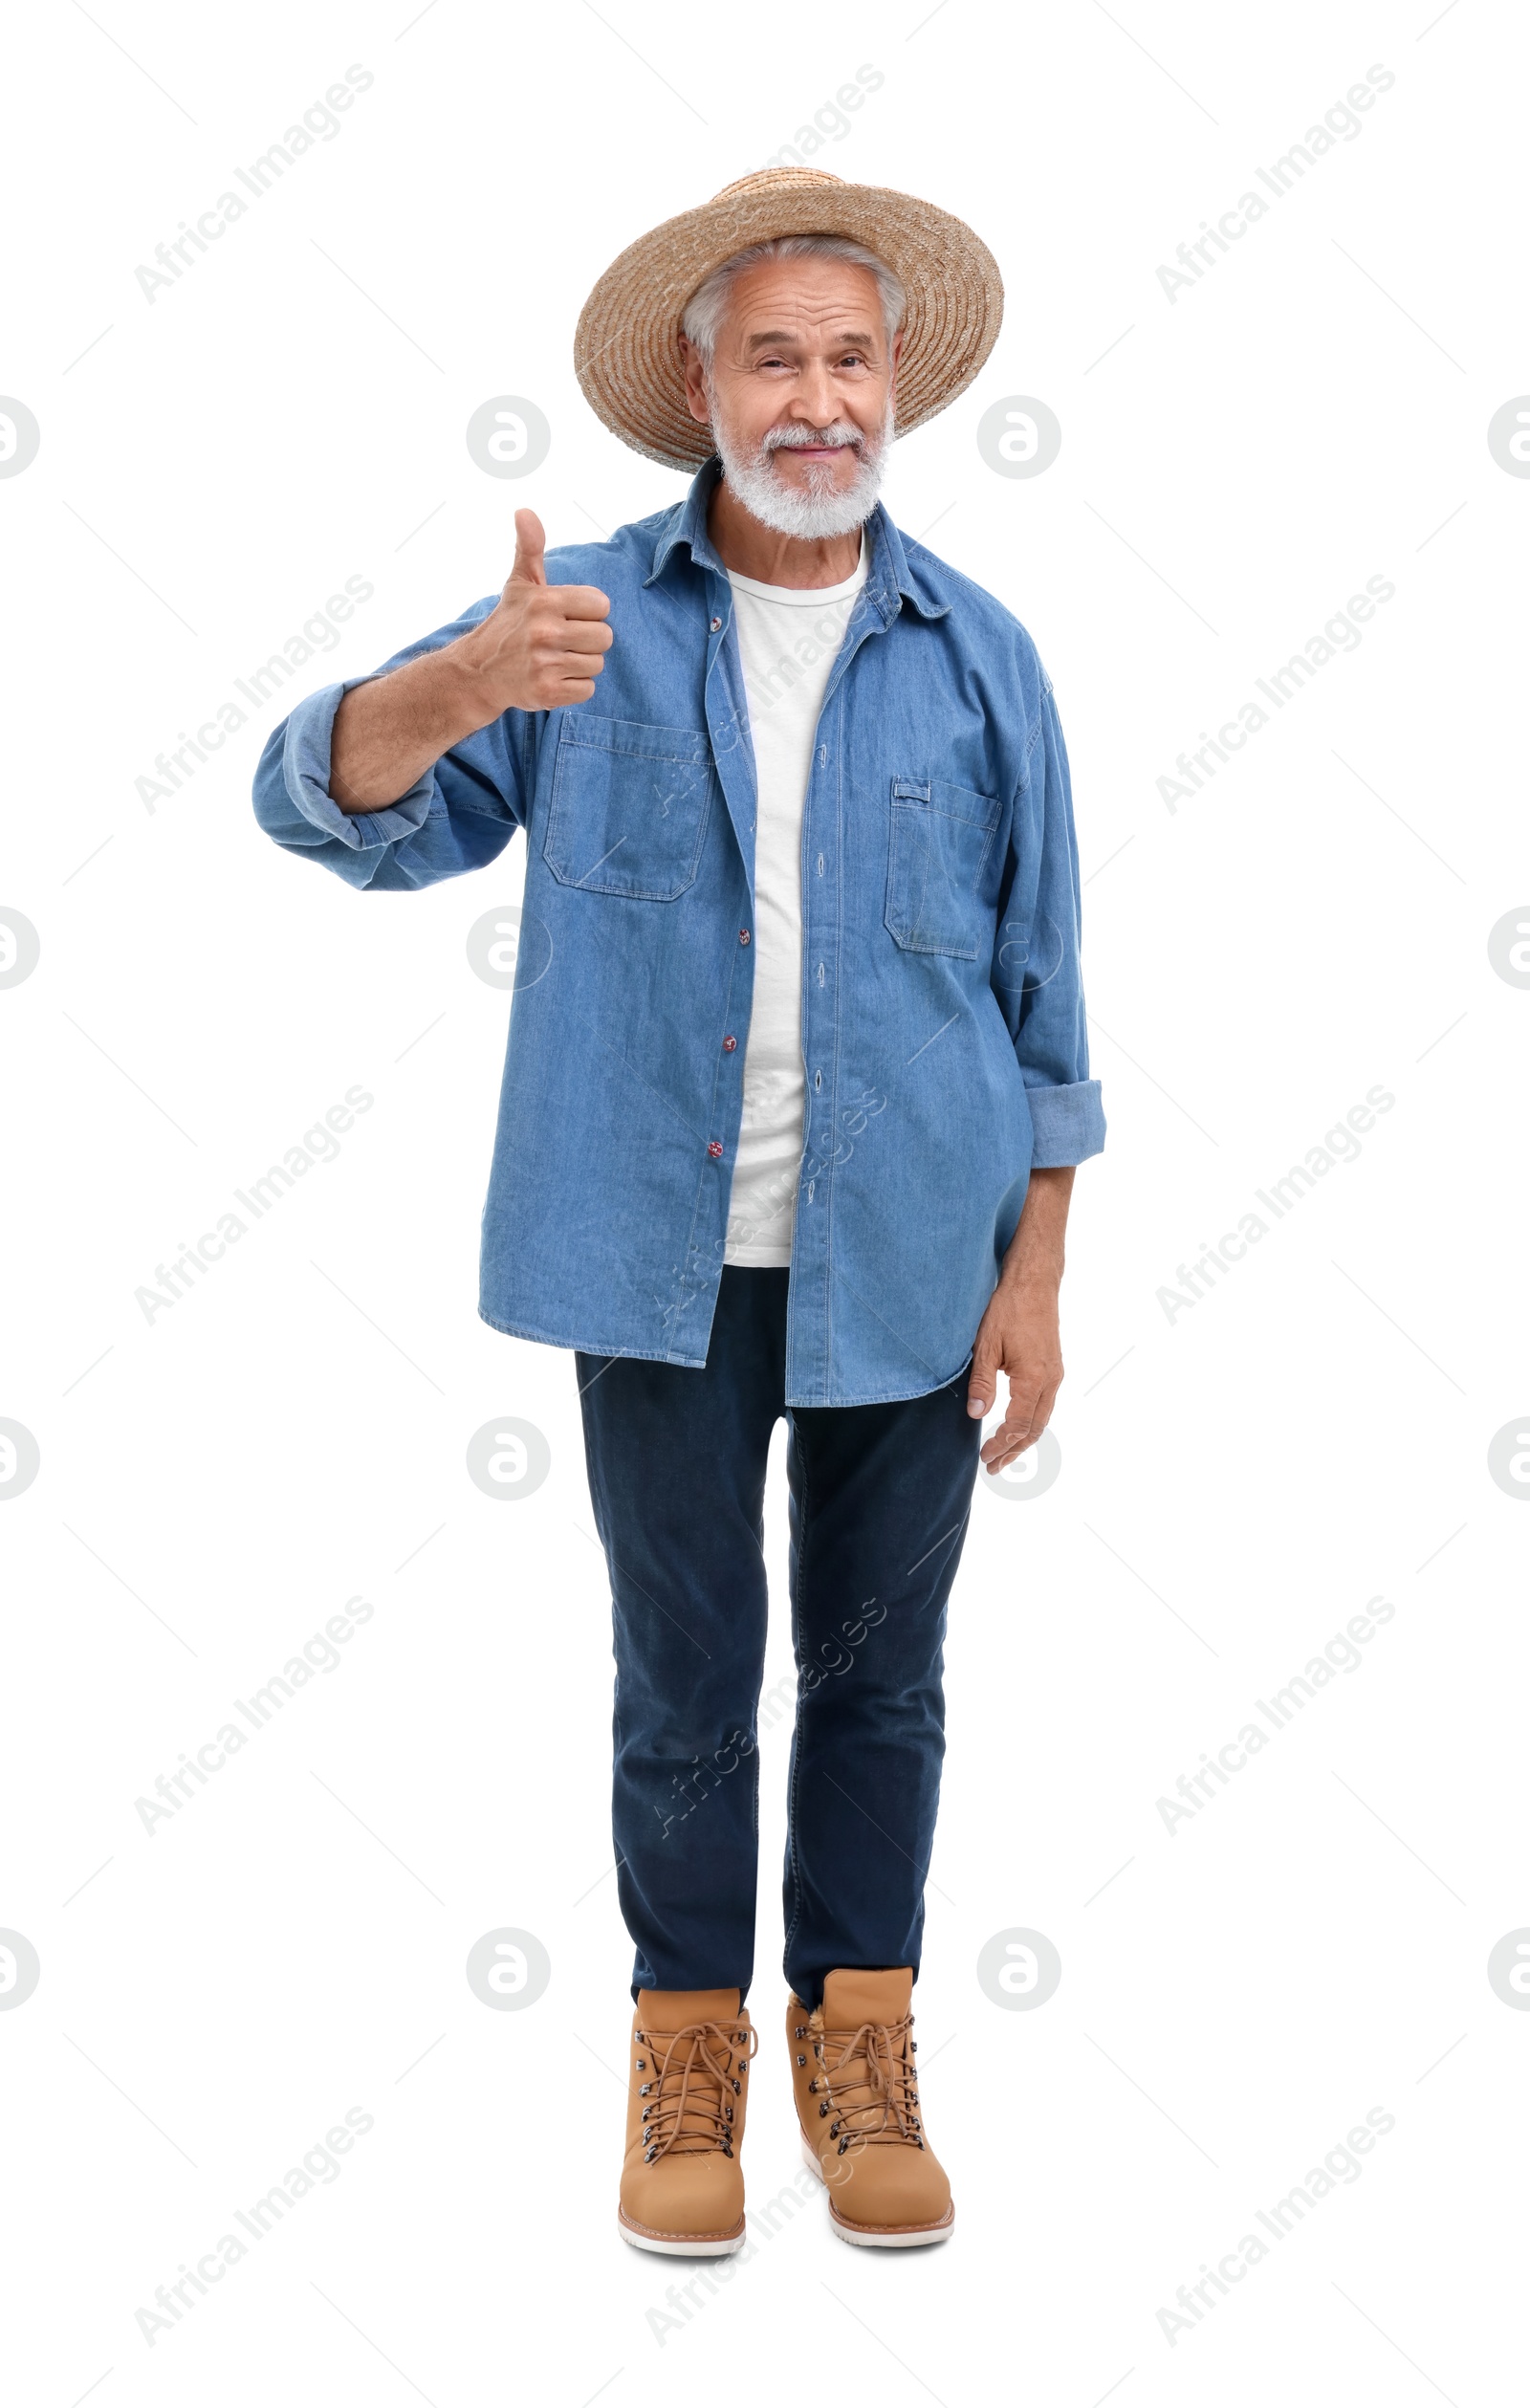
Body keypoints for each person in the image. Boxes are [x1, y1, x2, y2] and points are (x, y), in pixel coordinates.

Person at [252, 165, 1104, 2253]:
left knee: (885, 1672)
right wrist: (459, 685)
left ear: (890, 385)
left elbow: (1044, 989)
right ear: (696, 385)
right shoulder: (582, 625)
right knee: (684, 1664)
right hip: (654, 1257)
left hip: (915, 1251)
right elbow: (320, 804)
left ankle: (861, 2027)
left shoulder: (979, 655)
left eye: (848, 357)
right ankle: (686, 2037)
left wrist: (1037, 1270)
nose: (816, 399)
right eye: (771, 358)